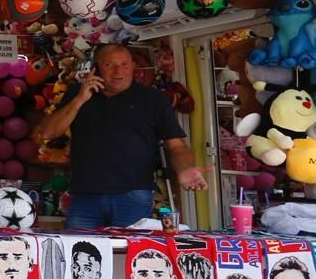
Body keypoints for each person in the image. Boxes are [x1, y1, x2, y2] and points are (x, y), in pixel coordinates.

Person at [34, 44, 206, 229]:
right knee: (79, 253)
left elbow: (177, 146)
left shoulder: (153, 99)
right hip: (85, 195)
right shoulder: (77, 93)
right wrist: (80, 100)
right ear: (96, 68)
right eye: (109, 65)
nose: (118, 72)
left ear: (133, 67)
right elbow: (47, 132)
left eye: (124, 65)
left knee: (129, 254)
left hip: (133, 195)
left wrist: (185, 169)